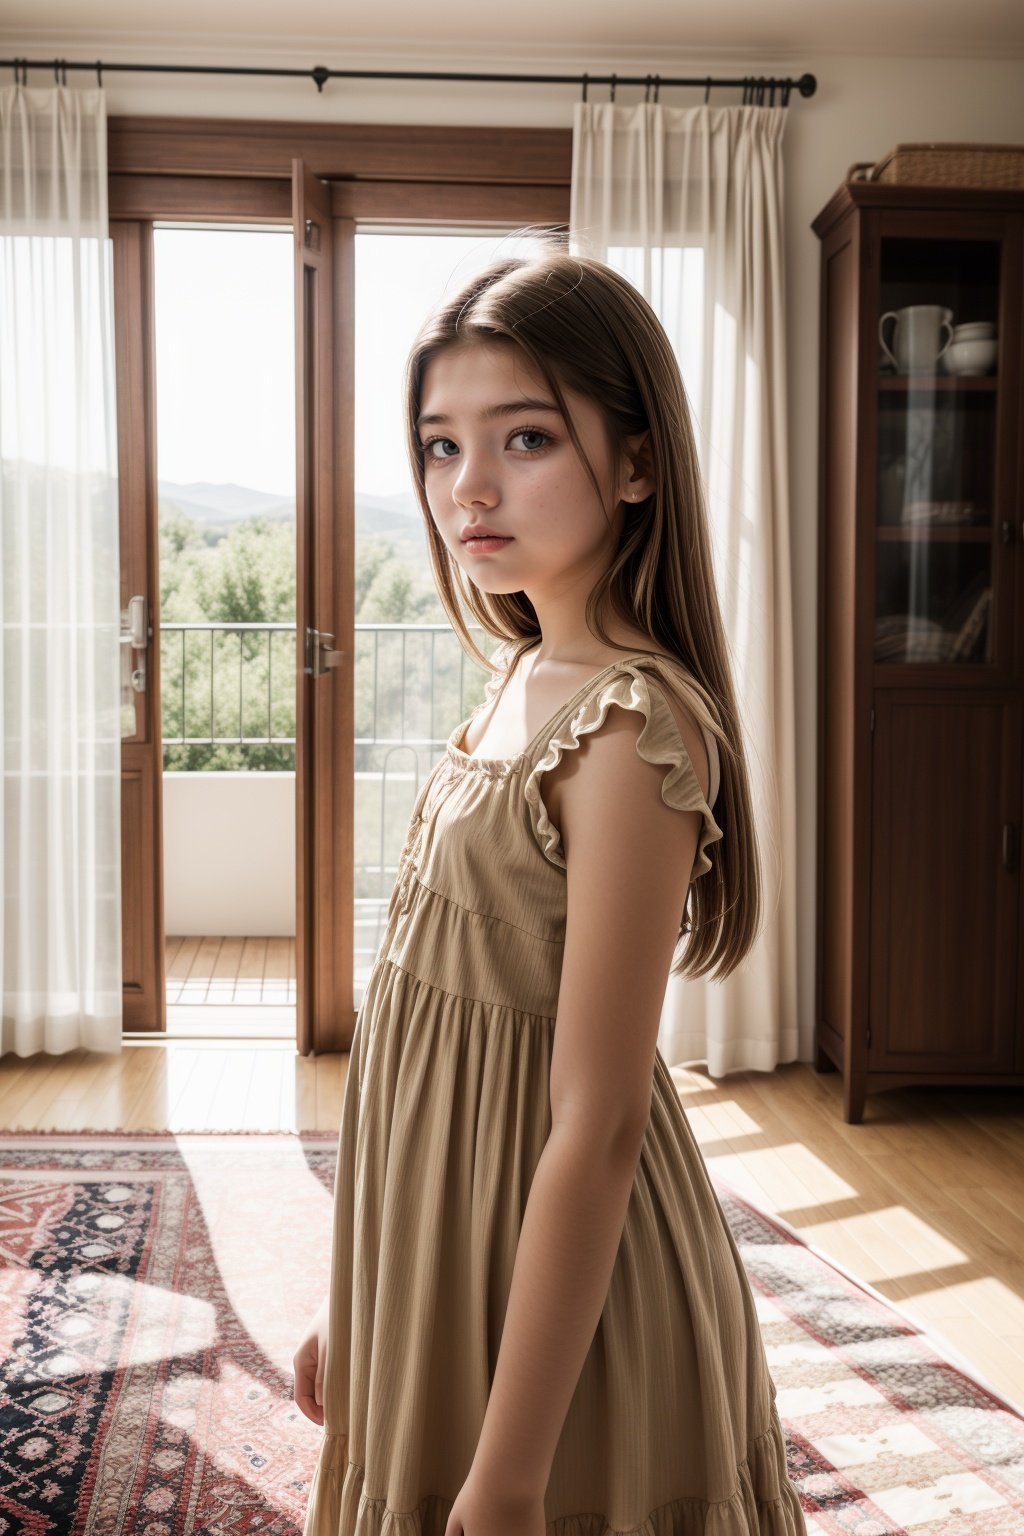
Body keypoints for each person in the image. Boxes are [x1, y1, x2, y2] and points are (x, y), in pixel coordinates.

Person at [293, 232, 807, 1536]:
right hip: (445, 1253)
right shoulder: (528, 673)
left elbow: (600, 1123)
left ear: (637, 461)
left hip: (561, 1295)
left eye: (523, 438)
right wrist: (358, 1304)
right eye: (438, 444)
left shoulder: (631, 729)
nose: (468, 485)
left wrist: (514, 1472)